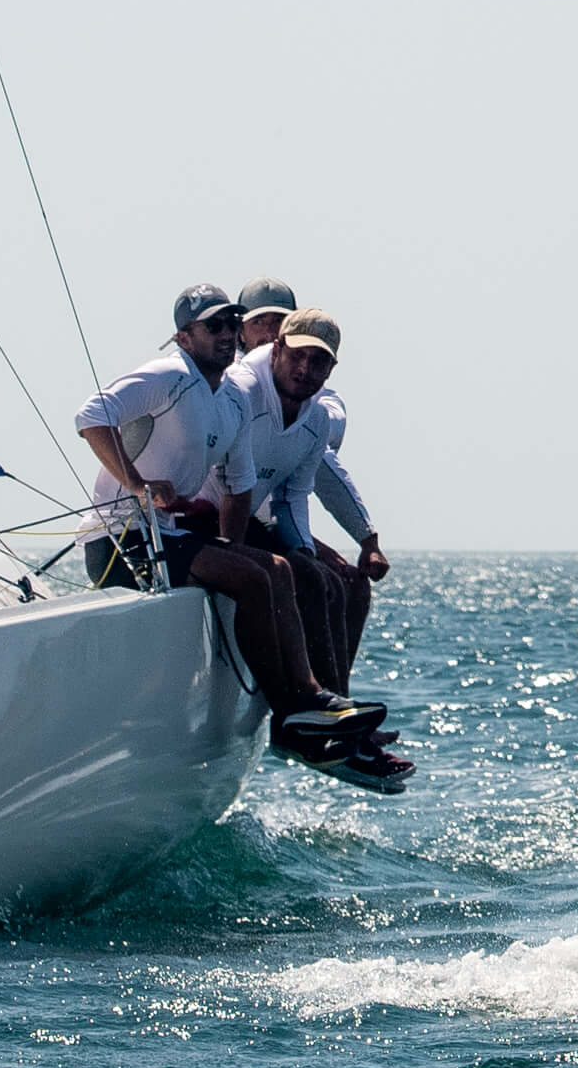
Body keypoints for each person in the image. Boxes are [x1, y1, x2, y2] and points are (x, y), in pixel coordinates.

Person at [71, 285, 373, 754]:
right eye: (213, 326)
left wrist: (235, 552)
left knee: (276, 570)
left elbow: (239, 485)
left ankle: (303, 704)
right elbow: (92, 415)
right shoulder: (170, 375)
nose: (228, 334)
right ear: (184, 337)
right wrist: (136, 483)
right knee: (257, 577)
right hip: (120, 541)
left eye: (233, 324)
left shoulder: (230, 398)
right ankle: (296, 705)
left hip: (169, 536)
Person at [215, 308, 411, 791]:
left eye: (318, 362)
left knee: (331, 578)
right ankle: (307, 714)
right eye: (298, 356)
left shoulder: (317, 415)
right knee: (298, 574)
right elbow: (229, 481)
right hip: (203, 517)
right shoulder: (243, 389)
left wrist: (323, 546)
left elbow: (295, 495)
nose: (305, 369)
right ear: (276, 349)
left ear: (331, 368)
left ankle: (337, 718)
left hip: (251, 517)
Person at [235, 275, 389, 680]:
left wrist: (366, 538)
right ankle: (308, 692)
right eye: (258, 322)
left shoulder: (313, 400)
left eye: (279, 321)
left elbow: (318, 465)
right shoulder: (236, 386)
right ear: (239, 331)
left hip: (265, 517)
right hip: (223, 519)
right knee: (305, 575)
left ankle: (335, 696)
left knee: (347, 581)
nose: (269, 331)